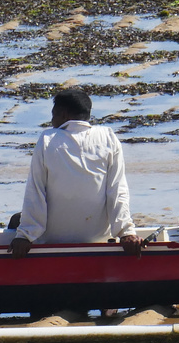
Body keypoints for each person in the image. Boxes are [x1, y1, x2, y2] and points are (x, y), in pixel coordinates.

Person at [9, 90, 144, 258]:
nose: (52, 122)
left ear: (63, 115)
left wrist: (25, 236)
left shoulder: (47, 139)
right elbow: (117, 190)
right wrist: (126, 232)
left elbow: (35, 192)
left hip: (53, 238)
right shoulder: (108, 137)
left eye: (53, 116)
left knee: (16, 220)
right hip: (98, 237)